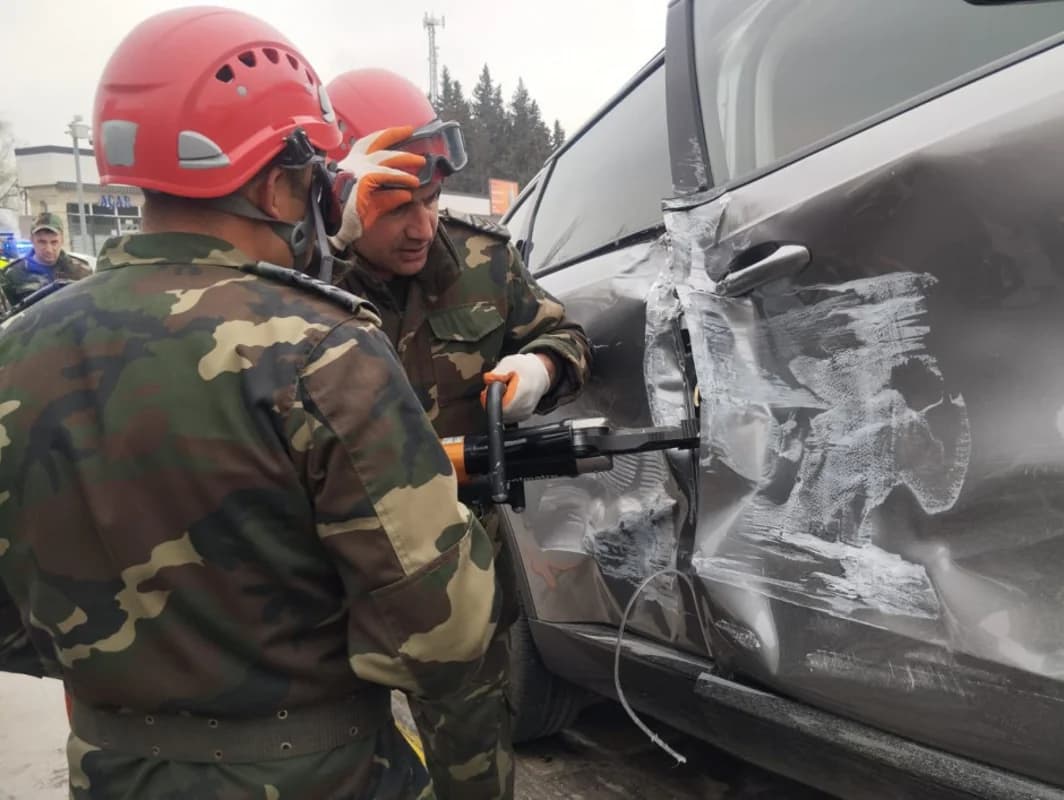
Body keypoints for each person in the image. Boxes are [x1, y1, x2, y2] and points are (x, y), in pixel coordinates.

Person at [0, 9, 499, 800]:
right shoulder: (322, 349)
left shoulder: (13, 350)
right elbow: (445, 635)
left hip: (113, 774)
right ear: (277, 183)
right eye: (313, 179)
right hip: (322, 775)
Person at [325, 68, 593, 800]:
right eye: (395, 207)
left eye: (433, 201)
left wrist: (538, 367)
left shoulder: (483, 261)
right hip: (324, 576)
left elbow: (564, 334)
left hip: (454, 567)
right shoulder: (291, 281)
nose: (422, 227)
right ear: (339, 197)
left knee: (473, 753)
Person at [0, 212, 92, 307]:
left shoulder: (82, 270)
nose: (49, 249)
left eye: (54, 242)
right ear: (31, 240)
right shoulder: (11, 276)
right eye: (42, 242)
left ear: (62, 240)